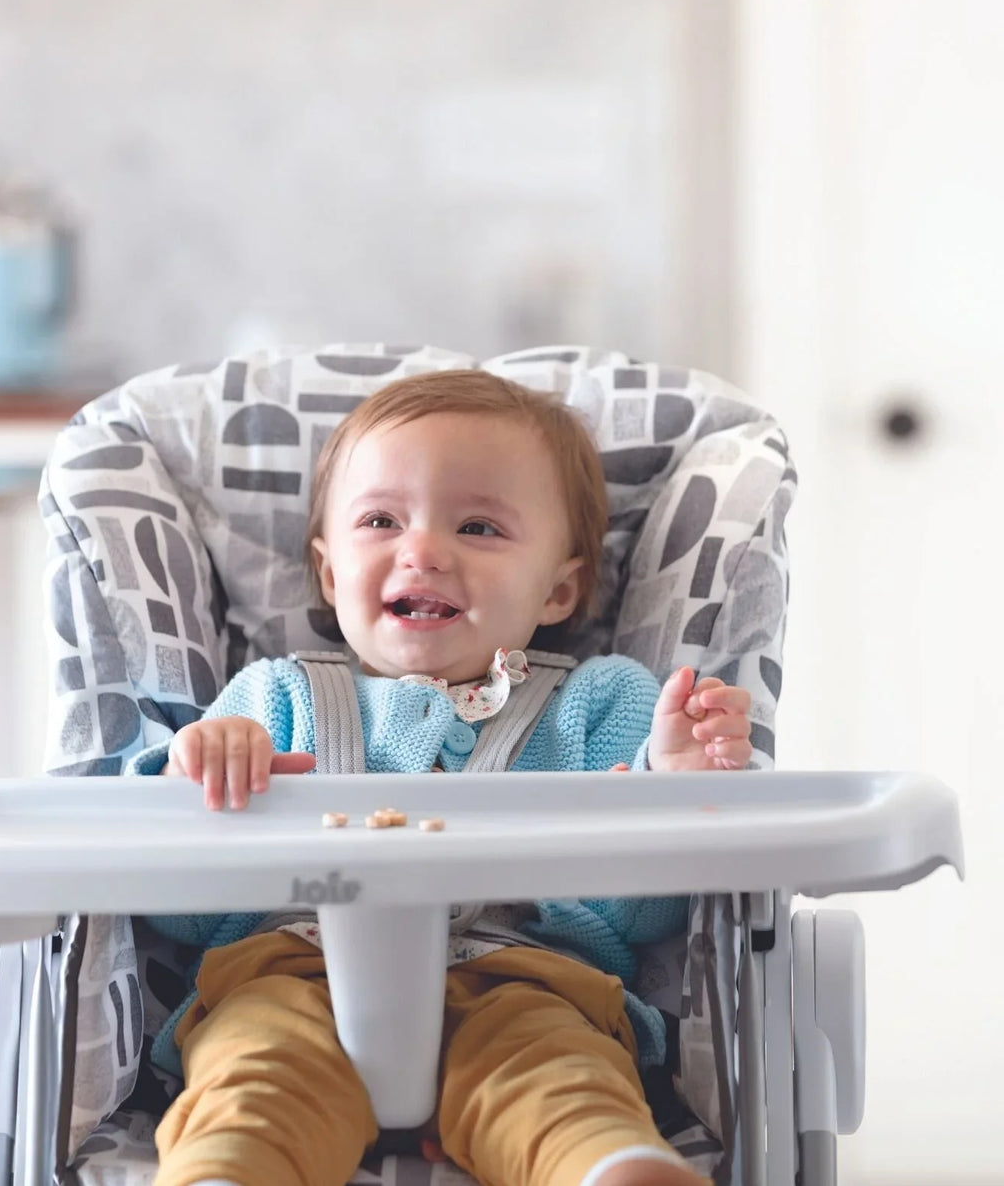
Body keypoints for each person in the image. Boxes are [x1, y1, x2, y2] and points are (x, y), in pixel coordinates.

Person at [127, 370, 753, 1186]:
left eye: (480, 527)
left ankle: (613, 1170)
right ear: (327, 573)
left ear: (560, 587)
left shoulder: (604, 702)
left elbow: (643, 917)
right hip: (292, 971)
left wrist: (670, 784)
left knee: (562, 1084)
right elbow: (177, 913)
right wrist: (199, 777)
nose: (421, 549)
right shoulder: (273, 699)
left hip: (528, 978)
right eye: (381, 519)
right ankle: (228, 1172)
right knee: (255, 1075)